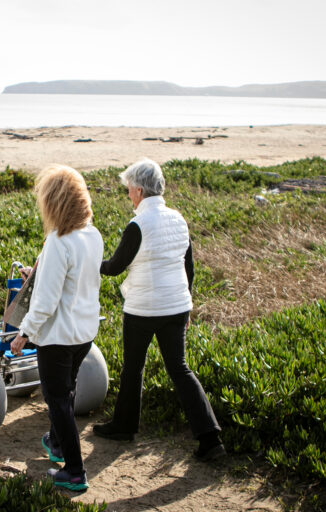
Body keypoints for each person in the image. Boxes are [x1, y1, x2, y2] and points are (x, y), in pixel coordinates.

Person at [92, 158, 225, 462]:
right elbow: (188, 265)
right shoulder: (178, 219)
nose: (128, 195)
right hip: (177, 306)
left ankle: (124, 427)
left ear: (139, 190)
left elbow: (115, 267)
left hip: (143, 308)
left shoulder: (138, 224)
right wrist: (187, 303)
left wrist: (88, 263)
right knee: (179, 368)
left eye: (129, 189)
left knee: (133, 368)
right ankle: (211, 438)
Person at [10, 164, 104, 491]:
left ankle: (75, 473)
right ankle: (57, 443)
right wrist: (35, 270)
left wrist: (24, 333)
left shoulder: (58, 241)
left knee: (57, 399)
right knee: (67, 389)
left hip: (59, 336)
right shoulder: (92, 235)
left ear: (54, 203)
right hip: (84, 332)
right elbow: (73, 279)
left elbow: (46, 302)